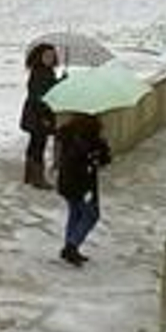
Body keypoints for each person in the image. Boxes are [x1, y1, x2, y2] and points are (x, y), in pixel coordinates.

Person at [54, 114, 110, 266]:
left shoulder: (69, 134)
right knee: (91, 215)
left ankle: (69, 246)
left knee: (75, 213)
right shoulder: (87, 140)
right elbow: (97, 161)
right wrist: (96, 154)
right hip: (82, 186)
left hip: (67, 183)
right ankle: (72, 246)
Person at [20, 44, 60, 189]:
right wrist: (44, 117)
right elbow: (39, 96)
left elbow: (49, 89)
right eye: (47, 55)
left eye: (52, 55)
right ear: (39, 56)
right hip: (38, 114)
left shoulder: (45, 71)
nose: (50, 58)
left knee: (35, 143)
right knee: (38, 144)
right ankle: (37, 179)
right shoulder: (39, 73)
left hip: (35, 113)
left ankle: (30, 175)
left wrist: (60, 81)